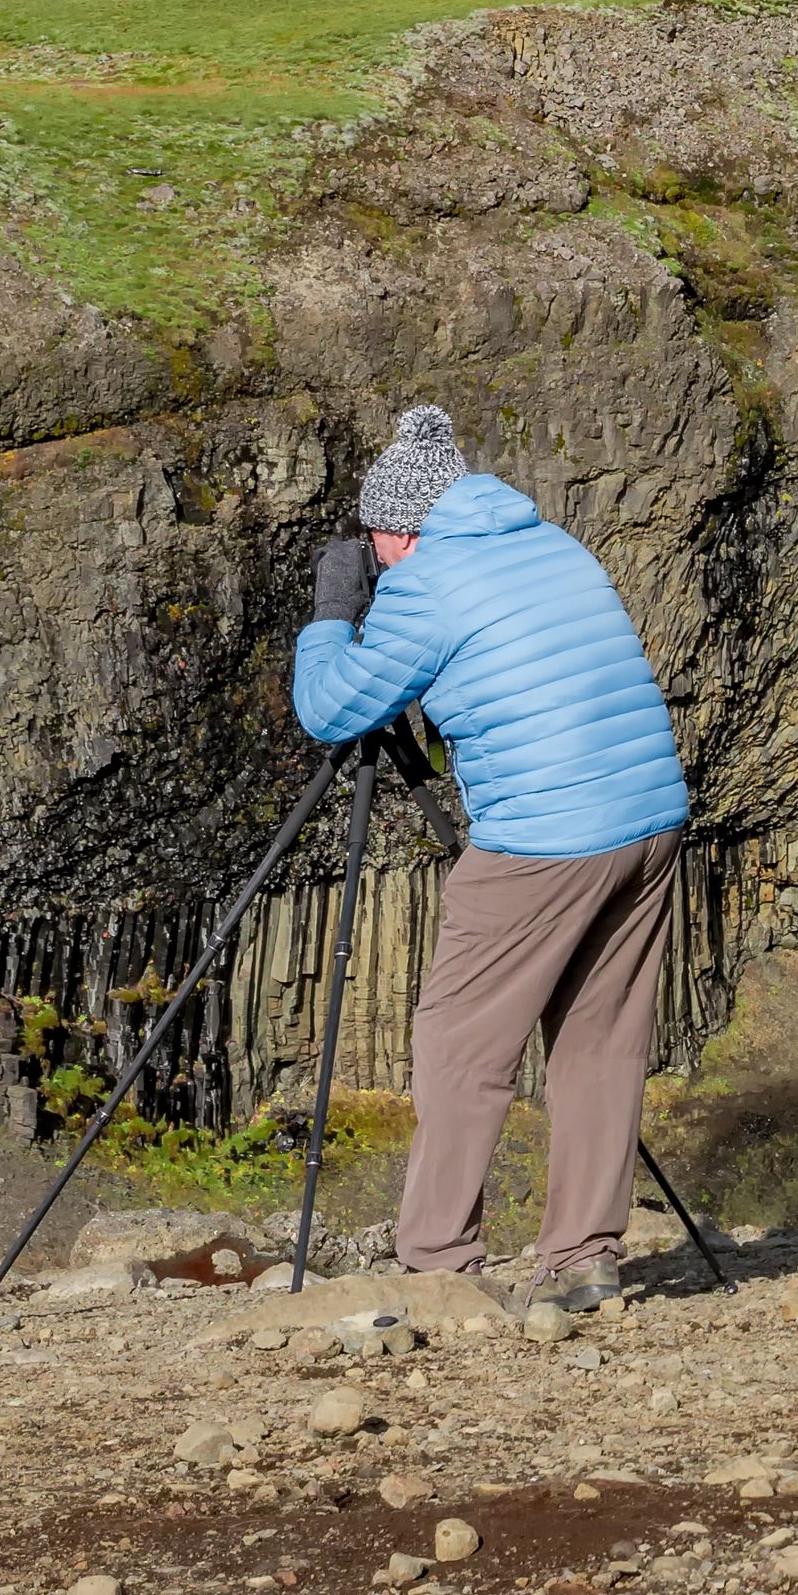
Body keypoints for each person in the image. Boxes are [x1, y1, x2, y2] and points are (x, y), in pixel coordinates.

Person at [290, 404, 690, 1311]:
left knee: (461, 1043)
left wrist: (332, 614)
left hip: (545, 839)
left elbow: (332, 709)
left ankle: (437, 1264)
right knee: (600, 1041)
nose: (381, 555)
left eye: (379, 541)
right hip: (650, 820)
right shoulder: (553, 545)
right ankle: (583, 1256)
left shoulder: (427, 583)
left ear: (402, 528)